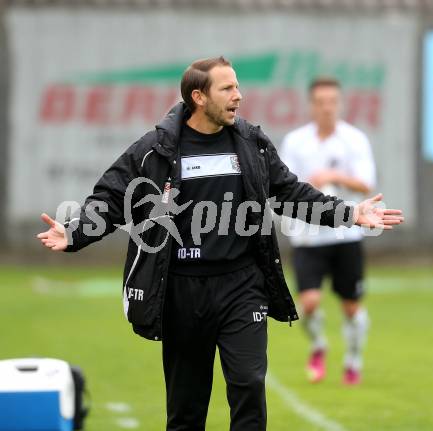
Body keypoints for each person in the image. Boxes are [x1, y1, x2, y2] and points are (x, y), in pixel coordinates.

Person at [37, 58, 403, 430]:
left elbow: (290, 192)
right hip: (182, 291)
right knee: (186, 410)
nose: (238, 96)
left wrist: (349, 214)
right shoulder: (156, 148)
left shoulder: (252, 142)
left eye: (238, 87)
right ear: (198, 96)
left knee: (248, 385)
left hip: (242, 286)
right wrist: (75, 232)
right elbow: (114, 196)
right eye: (227, 89)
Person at [279, 77, 377, 385]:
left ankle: (353, 358)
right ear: (312, 105)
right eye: (320, 102)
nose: (327, 108)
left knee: (351, 307)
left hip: (346, 235)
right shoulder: (295, 142)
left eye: (332, 102)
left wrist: (335, 175)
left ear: (340, 103)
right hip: (308, 235)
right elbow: (282, 187)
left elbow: (366, 184)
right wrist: (311, 184)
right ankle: (319, 345)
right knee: (307, 304)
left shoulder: (355, 140)